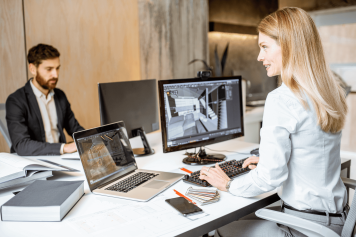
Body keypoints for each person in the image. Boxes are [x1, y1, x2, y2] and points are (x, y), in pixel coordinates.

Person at [199, 7, 348, 236]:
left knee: (217, 228)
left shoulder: (282, 99)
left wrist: (228, 184)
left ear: (288, 46)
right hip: (335, 222)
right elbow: (314, 151)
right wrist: (269, 160)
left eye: (264, 47)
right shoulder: (329, 92)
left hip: (302, 228)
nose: (260, 57)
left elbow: (269, 178)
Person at [6, 44, 84, 156]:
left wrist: (95, 138)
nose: (55, 74)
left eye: (57, 68)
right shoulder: (16, 100)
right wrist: (65, 147)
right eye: (49, 69)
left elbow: (75, 129)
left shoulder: (60, 95)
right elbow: (22, 145)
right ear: (32, 69)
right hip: (33, 162)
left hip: (59, 159)